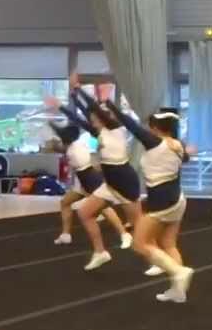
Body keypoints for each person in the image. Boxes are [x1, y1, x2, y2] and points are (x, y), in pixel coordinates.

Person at [107, 102, 196, 303]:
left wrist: (111, 106)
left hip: (162, 200)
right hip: (177, 199)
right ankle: (178, 291)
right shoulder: (177, 145)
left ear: (155, 128)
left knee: (139, 244)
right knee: (168, 244)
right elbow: (186, 158)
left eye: (151, 126)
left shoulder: (155, 142)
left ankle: (178, 272)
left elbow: (131, 125)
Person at [62, 84, 144, 272]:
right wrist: (69, 100)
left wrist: (82, 91)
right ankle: (100, 252)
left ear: (104, 118)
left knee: (140, 226)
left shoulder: (117, 129)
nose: (91, 121)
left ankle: (159, 258)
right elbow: (79, 118)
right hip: (109, 183)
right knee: (84, 213)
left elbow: (94, 108)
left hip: (125, 183)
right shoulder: (99, 132)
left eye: (94, 118)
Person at [46, 119, 128, 248]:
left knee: (105, 209)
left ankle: (124, 234)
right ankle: (66, 235)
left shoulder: (73, 149)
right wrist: (53, 126)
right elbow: (62, 142)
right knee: (65, 202)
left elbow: (59, 145)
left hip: (89, 180)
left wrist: (52, 126)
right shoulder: (76, 144)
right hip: (83, 181)